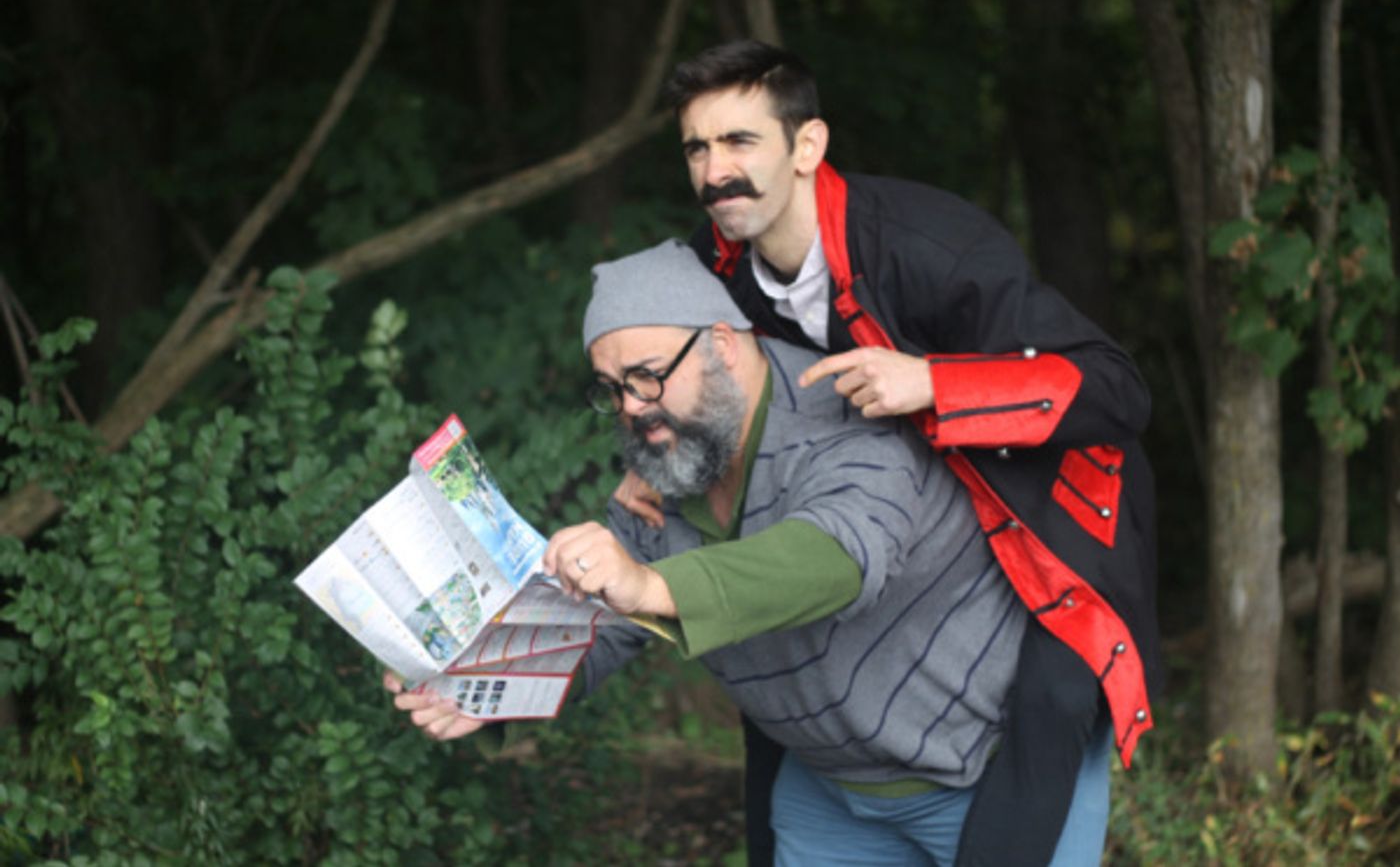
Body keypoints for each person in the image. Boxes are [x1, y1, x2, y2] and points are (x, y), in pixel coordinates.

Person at [609, 40, 1161, 867]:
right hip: (878, 530)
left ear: (808, 146)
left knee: (1046, 715)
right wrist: (653, 456)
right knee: (778, 719)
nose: (715, 170)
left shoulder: (929, 245)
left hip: (1042, 520)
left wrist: (933, 381)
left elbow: (1118, 390)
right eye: (697, 146)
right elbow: (670, 374)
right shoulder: (713, 264)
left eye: (739, 142)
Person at [389, 240, 1115, 865]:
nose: (634, 406)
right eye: (612, 389)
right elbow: (605, 620)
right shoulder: (665, 468)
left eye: (647, 375)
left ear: (723, 345)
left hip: (991, 766)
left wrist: (650, 583)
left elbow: (838, 557)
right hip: (832, 788)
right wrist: (484, 686)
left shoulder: (848, 415)